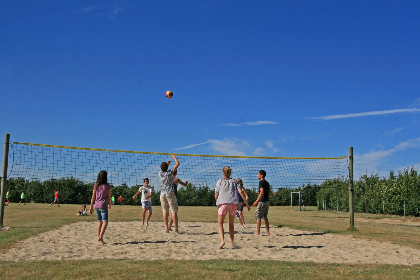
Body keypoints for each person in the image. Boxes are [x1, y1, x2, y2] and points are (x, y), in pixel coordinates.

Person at [215, 166, 250, 249]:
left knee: (220, 223)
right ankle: (232, 242)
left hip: (223, 203)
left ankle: (222, 241)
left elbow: (216, 195)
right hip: (233, 204)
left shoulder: (219, 181)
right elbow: (240, 191)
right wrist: (246, 203)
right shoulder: (235, 181)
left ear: (223, 173)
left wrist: (217, 201)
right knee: (231, 224)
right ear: (230, 173)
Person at [89, 170, 112, 245]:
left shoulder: (96, 185)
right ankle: (101, 236)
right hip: (103, 205)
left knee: (100, 221)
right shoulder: (107, 186)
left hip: (96, 205)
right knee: (105, 222)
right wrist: (110, 204)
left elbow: (93, 197)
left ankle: (98, 237)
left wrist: (91, 207)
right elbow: (109, 197)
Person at [159, 155, 180, 233]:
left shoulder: (160, 173)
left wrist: (167, 164)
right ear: (167, 168)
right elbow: (177, 164)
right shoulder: (170, 172)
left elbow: (164, 170)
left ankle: (166, 228)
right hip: (169, 193)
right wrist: (174, 157)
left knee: (165, 211)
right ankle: (176, 228)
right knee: (174, 211)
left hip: (162, 194)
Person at [252, 170, 270, 236]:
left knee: (258, 216)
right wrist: (267, 199)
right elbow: (269, 192)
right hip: (267, 201)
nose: (257, 175)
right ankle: (267, 232)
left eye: (258, 174)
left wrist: (256, 201)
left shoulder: (261, 182)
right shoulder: (267, 182)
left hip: (262, 201)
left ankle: (258, 232)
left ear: (261, 175)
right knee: (265, 216)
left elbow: (262, 192)